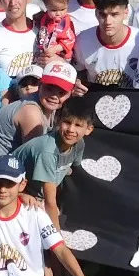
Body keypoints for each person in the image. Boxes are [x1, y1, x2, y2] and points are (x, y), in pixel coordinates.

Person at [0, 60, 76, 191]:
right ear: (40, 85)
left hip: (3, 157)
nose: (54, 96)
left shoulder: (51, 107)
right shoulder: (32, 112)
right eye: (49, 88)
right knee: (4, 202)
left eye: (61, 92)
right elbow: (33, 159)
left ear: (70, 93)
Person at [11, 96, 94, 232]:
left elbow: (71, 170)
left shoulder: (79, 144)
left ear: (88, 129)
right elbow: (50, 201)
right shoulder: (47, 151)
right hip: (14, 190)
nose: (71, 130)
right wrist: (57, 237)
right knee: (40, 230)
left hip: (40, 193)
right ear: (57, 120)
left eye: (78, 125)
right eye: (67, 122)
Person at [72, 0, 139, 89]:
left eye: (114, 14)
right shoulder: (82, 41)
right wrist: (76, 87)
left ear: (126, 12)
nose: (108, 22)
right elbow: (79, 75)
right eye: (103, 15)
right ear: (96, 13)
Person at [34, 0, 77, 64]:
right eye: (53, 10)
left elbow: (70, 40)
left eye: (62, 9)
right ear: (46, 6)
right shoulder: (45, 18)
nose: (58, 13)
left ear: (67, 5)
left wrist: (55, 49)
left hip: (61, 56)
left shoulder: (65, 23)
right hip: (46, 53)